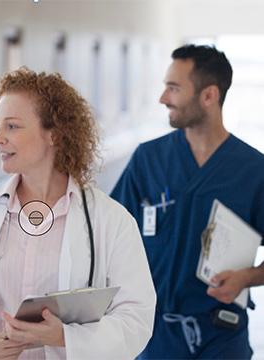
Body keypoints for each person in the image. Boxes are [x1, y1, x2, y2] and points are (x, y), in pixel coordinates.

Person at [0, 67, 156, 359]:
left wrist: (66, 338)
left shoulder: (111, 221)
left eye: (12, 126)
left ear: (54, 134)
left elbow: (136, 316)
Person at [111, 44, 264, 359]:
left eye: (174, 88)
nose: (163, 98)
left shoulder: (253, 171)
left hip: (222, 338)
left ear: (209, 96)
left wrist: (246, 278)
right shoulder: (147, 160)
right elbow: (107, 238)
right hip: (154, 338)